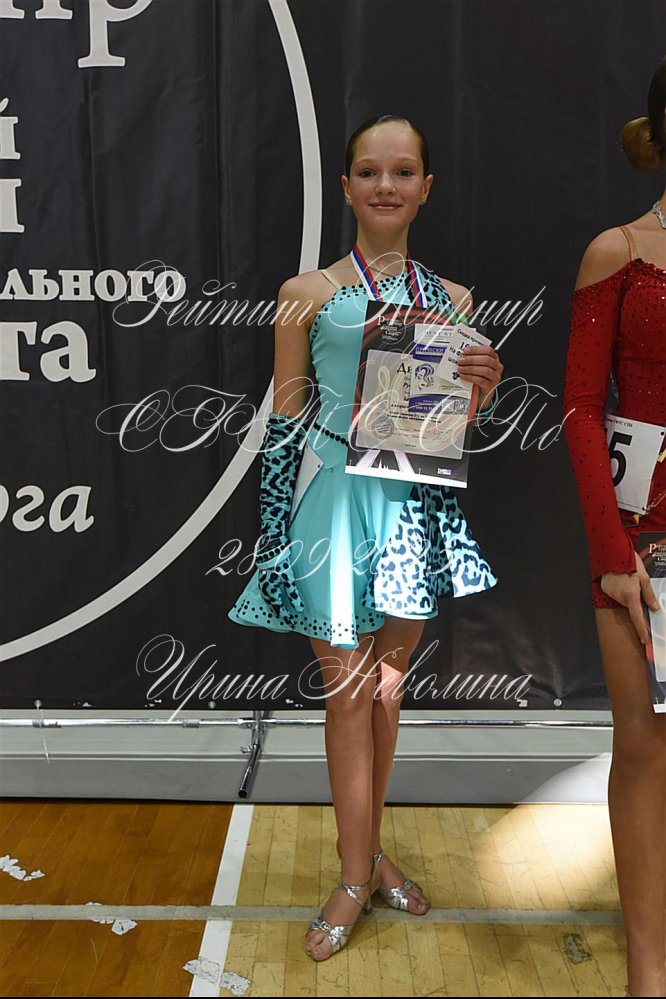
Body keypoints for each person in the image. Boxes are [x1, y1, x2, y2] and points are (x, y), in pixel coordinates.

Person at [228, 114, 503, 961]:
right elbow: (285, 420)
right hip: (332, 507)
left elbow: (449, 427)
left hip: (411, 509)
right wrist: (278, 537)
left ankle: (370, 851)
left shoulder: (455, 301)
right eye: (371, 171)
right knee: (347, 692)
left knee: (387, 691)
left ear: (426, 188)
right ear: (345, 186)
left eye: (404, 171)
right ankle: (354, 877)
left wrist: (483, 391)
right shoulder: (305, 292)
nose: (387, 185)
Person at [562, 57, 666, 999]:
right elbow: (580, 411)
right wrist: (611, 555)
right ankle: (647, 973)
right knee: (642, 747)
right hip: (646, 545)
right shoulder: (618, 252)